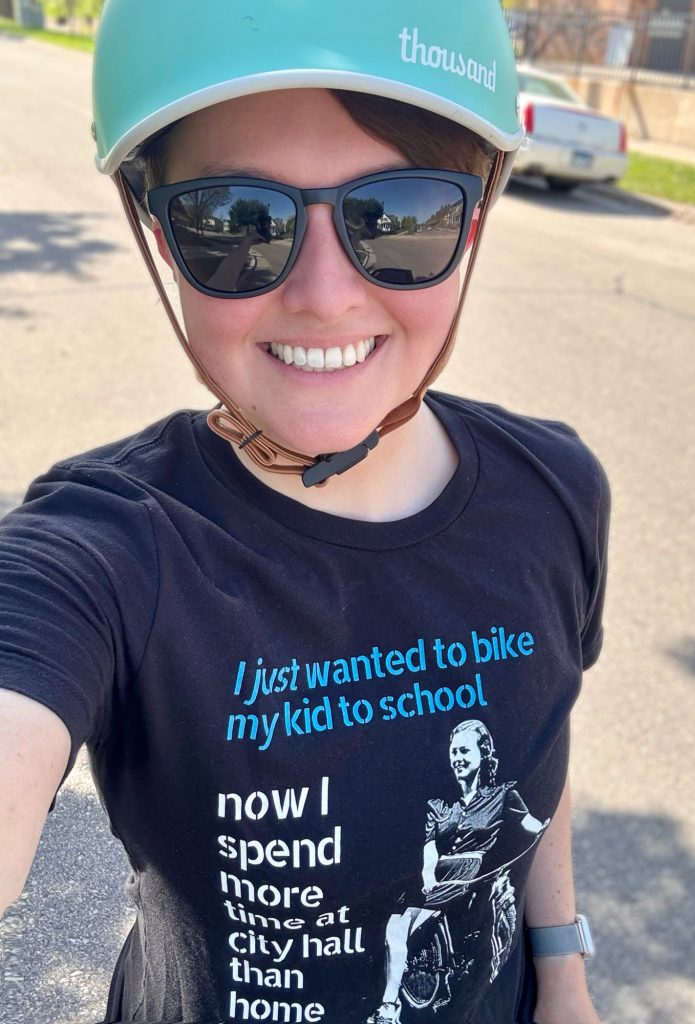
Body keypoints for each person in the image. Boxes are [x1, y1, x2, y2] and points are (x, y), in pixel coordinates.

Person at [0, 2, 609, 1023]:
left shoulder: (553, 492)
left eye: (401, 213)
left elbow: (536, 764)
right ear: (159, 233)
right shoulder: (108, 549)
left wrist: (567, 972)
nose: (325, 297)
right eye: (236, 221)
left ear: (478, 217)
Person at [369, 721, 550, 1022]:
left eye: (464, 750)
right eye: (453, 752)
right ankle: (389, 1009)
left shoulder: (503, 796)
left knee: (435, 934)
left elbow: (532, 824)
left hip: (473, 875)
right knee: (395, 929)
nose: (457, 757)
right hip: (437, 874)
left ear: (483, 754)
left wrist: (542, 828)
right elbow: (429, 847)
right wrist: (429, 876)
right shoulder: (440, 806)